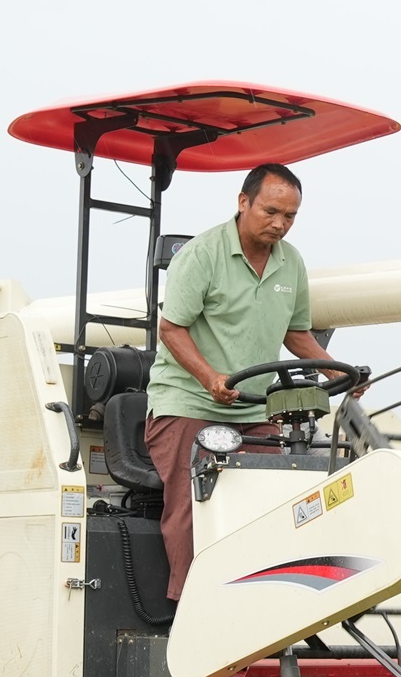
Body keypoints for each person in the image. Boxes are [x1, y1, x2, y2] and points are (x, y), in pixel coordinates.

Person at [145, 162, 346, 603]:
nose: (280, 224)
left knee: (277, 501)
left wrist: (336, 369)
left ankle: (264, 606)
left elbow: (295, 333)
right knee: (195, 502)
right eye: (271, 211)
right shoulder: (202, 254)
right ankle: (193, 609)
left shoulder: (290, 263)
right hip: (187, 403)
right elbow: (171, 328)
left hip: (254, 407)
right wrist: (210, 377)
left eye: (290, 216)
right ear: (243, 202)